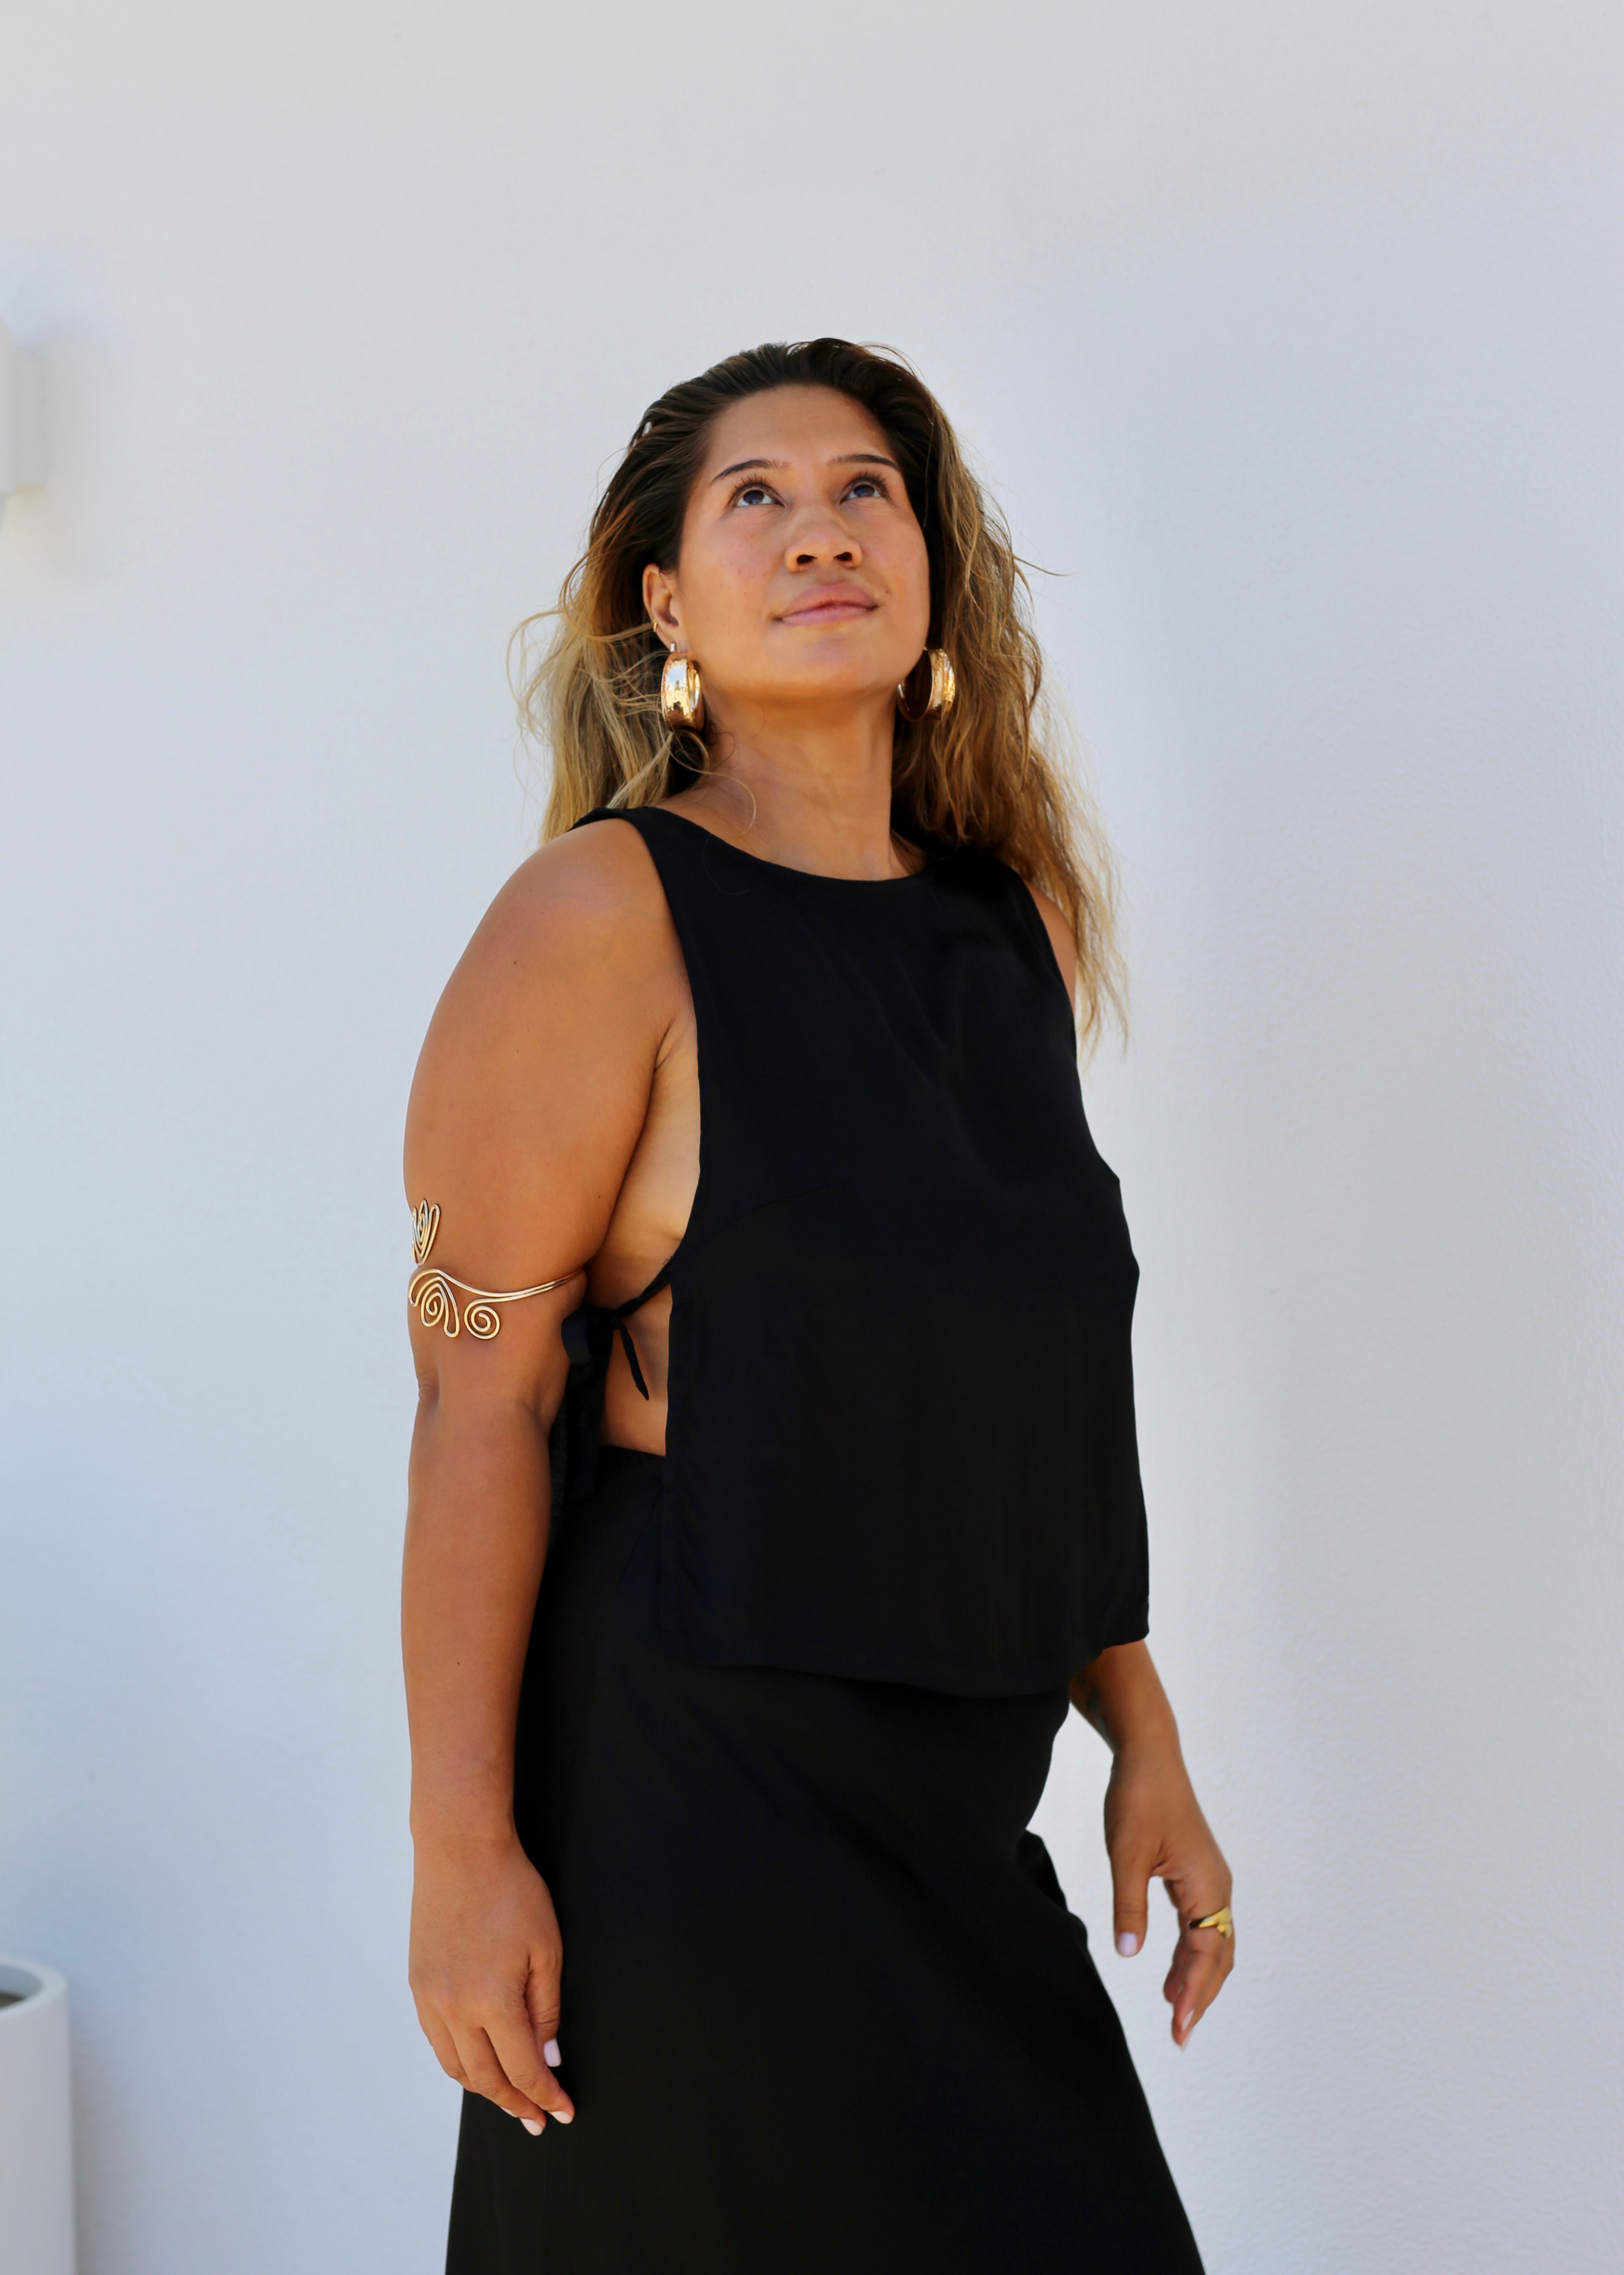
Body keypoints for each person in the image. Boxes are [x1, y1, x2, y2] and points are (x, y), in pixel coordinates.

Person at [401, 338, 1233, 2274]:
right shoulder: (597, 918)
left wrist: (1143, 1730)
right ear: (666, 603)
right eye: (755, 499)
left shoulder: (1008, 928)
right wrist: (462, 1854)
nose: (821, 532)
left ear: (931, 572)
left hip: (963, 1789)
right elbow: (478, 1408)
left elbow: (1018, 1389)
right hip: (698, 1789)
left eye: (866, 491)